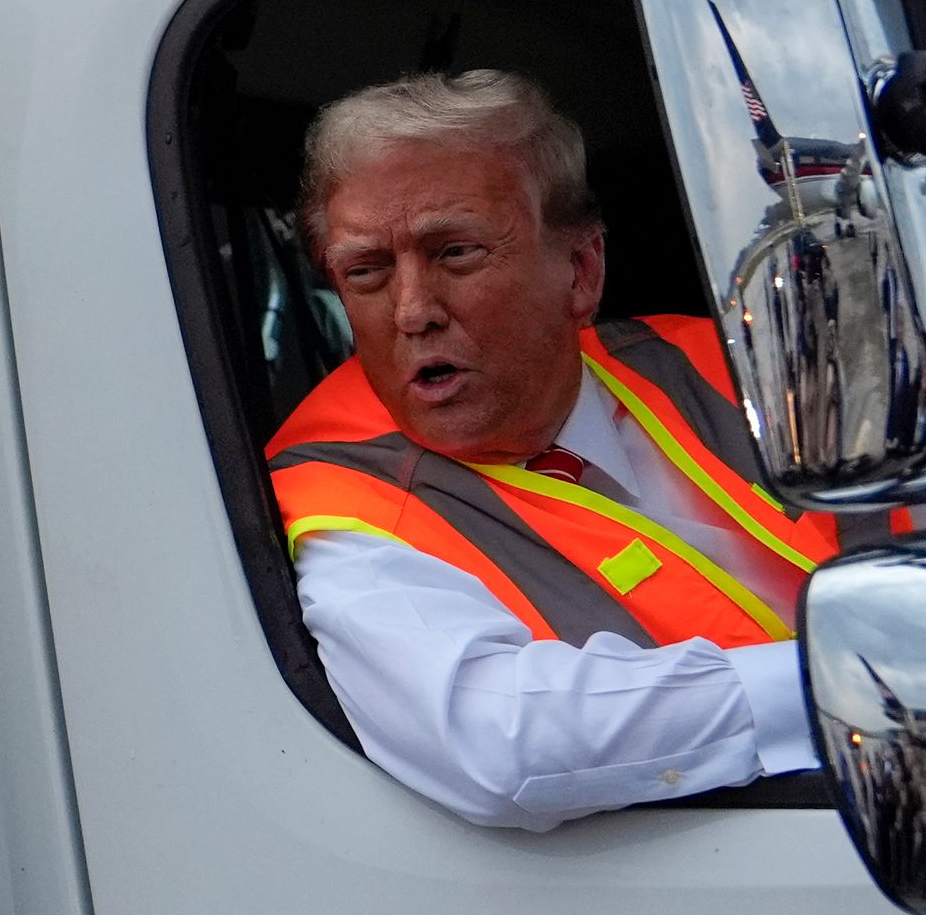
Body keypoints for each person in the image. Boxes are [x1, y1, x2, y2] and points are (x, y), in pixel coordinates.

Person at [268, 71, 873, 829]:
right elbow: (502, 743)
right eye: (366, 272)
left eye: (455, 253)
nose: (413, 311)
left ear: (581, 271)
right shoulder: (333, 498)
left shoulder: (741, 365)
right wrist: (865, 681)